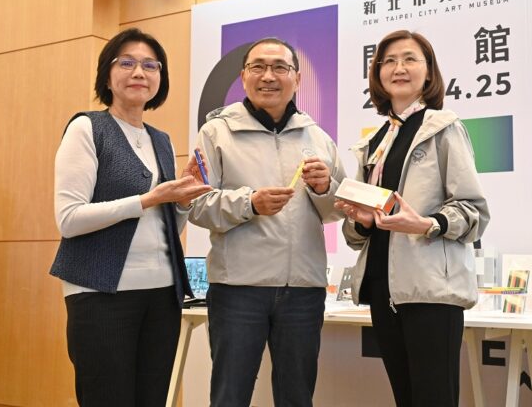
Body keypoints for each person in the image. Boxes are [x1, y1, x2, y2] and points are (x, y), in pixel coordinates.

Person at [50, 28, 211, 407]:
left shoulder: (161, 140)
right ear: (107, 76)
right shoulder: (87, 127)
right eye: (127, 63)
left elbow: (163, 224)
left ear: (160, 79)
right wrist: (148, 199)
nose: (140, 72)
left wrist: (180, 203)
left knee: (153, 398)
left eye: (151, 66)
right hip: (100, 293)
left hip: (163, 293)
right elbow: (69, 219)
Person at [188, 37, 346, 407]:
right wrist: (250, 203)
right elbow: (195, 204)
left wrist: (325, 188)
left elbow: (338, 209)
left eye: (279, 67)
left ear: (297, 78)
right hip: (237, 289)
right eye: (257, 67)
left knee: (297, 397)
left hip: (303, 290)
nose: (268, 76)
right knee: (230, 396)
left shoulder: (319, 137)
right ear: (243, 77)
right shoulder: (216, 133)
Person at [336, 30, 490, 407]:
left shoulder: (443, 128)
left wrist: (424, 223)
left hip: (430, 289)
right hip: (382, 289)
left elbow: (474, 211)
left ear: (429, 71)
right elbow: (357, 234)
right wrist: (362, 221)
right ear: (377, 73)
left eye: (409, 59)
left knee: (434, 399)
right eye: (388, 61)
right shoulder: (374, 144)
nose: (398, 68)